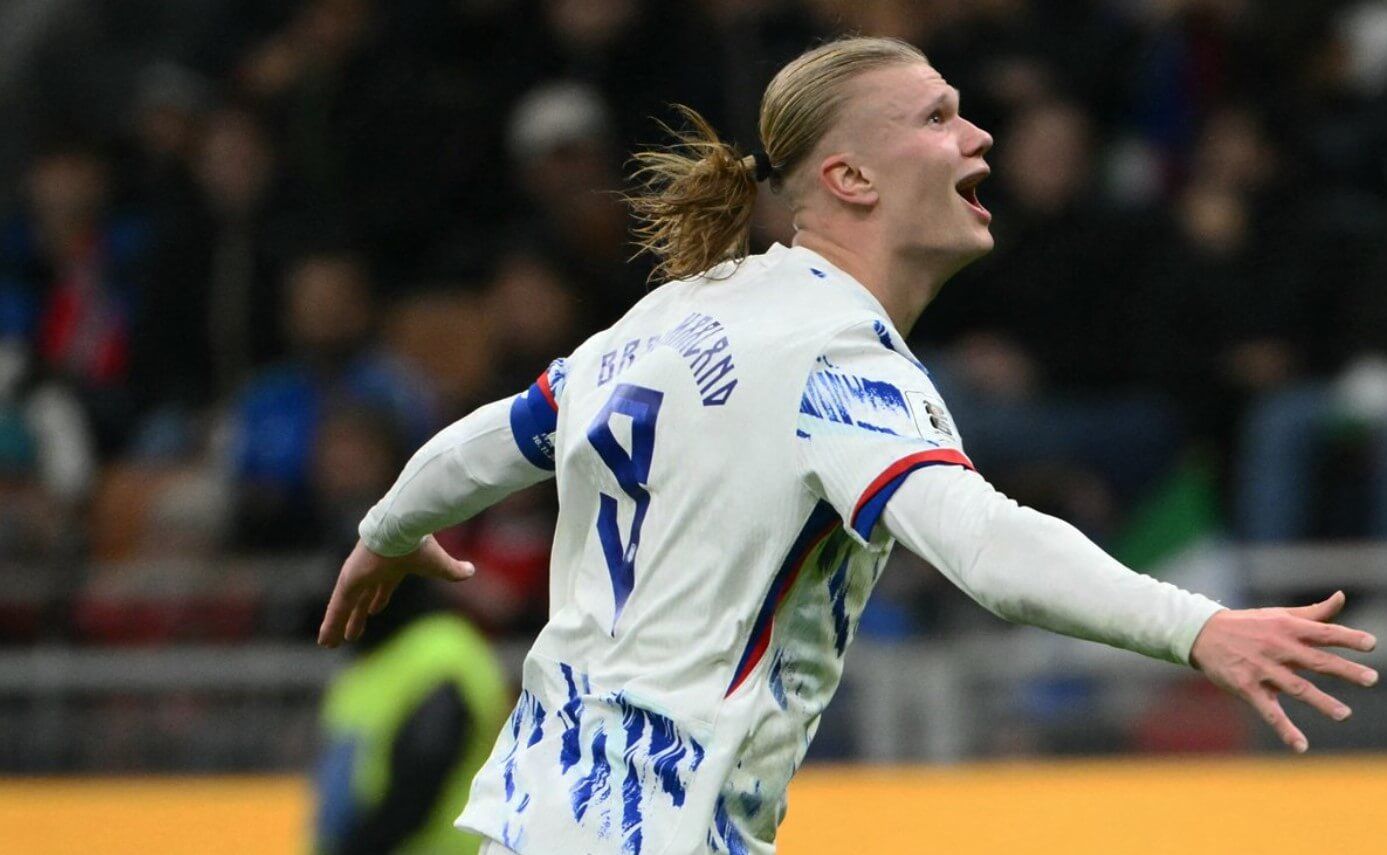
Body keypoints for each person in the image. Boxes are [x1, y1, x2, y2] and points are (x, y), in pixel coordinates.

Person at [318, 37, 1379, 855]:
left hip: (541, 818)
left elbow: (495, 438)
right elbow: (986, 545)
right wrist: (1199, 626)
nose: (980, 137)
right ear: (850, 178)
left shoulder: (677, 311)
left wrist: (388, 530)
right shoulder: (832, 356)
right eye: (938, 117)